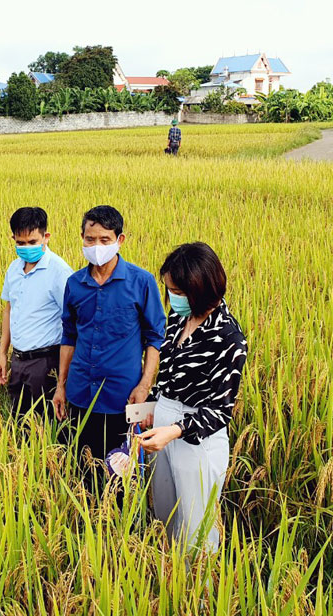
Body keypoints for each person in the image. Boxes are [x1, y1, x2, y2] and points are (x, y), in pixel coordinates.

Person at [138, 242, 248, 552]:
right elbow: (167, 376)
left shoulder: (228, 337)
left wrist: (175, 431)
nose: (172, 297)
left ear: (200, 289)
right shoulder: (177, 320)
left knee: (195, 525)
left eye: (178, 291)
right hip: (164, 421)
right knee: (164, 511)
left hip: (196, 435)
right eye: (170, 289)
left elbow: (219, 409)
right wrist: (149, 407)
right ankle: (167, 578)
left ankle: (198, 594)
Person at [52, 205, 166, 490]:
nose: (96, 246)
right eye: (90, 239)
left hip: (123, 399)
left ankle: (118, 529)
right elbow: (69, 337)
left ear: (120, 240)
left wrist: (145, 385)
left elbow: (155, 337)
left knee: (122, 477)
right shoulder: (74, 284)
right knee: (83, 472)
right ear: (82, 237)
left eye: (105, 240)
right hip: (80, 394)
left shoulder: (141, 282)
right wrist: (61, 386)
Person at [0, 207, 73, 420]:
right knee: (19, 421)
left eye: (32, 242)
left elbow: (72, 322)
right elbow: (9, 310)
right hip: (18, 359)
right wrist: (3, 354)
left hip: (46, 362)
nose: (26, 247)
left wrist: (63, 380)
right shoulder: (14, 269)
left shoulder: (60, 272)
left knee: (45, 424)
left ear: (46, 237)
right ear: (13, 238)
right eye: (20, 243)